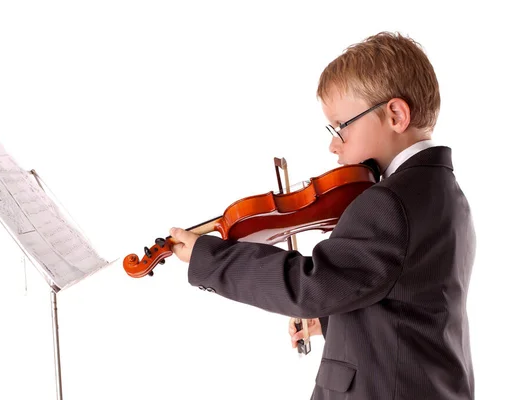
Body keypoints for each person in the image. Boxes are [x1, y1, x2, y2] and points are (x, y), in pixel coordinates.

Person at [168, 31, 476, 400]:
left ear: (395, 114)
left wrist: (208, 256)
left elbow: (310, 286)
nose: (333, 145)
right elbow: (404, 301)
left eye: (340, 127)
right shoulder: (446, 194)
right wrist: (335, 321)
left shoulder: (389, 202)